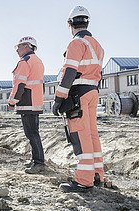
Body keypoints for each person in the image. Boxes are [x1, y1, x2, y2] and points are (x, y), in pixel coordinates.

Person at [52, 6, 105, 193]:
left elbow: (70, 73)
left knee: (81, 135)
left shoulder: (76, 43)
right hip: (93, 91)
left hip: (79, 93)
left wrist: (58, 99)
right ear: (87, 22)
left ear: (70, 24)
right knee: (91, 134)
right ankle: (97, 174)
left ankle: (83, 180)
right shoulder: (97, 45)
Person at [8, 36, 45, 174]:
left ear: (27, 46)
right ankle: (37, 159)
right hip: (35, 102)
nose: (17, 50)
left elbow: (19, 85)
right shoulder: (38, 61)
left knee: (31, 133)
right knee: (34, 133)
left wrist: (12, 101)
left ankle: (38, 163)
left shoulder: (25, 62)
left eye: (19, 47)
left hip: (27, 103)